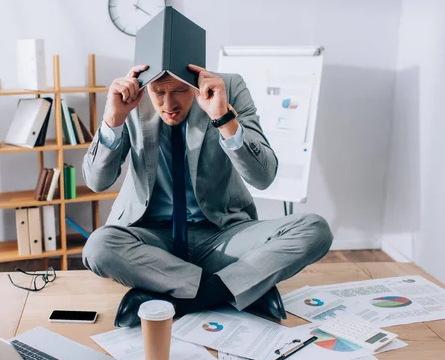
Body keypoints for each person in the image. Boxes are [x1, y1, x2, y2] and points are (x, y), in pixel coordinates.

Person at [82, 63, 333, 328]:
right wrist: (113, 120)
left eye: (180, 90)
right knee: (99, 247)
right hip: (152, 239)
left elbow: (264, 177)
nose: (169, 104)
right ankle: (236, 287)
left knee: (315, 229)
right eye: (159, 92)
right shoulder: (130, 95)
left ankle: (182, 297)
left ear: (194, 81)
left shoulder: (229, 88)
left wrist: (224, 118)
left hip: (222, 235)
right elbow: (97, 182)